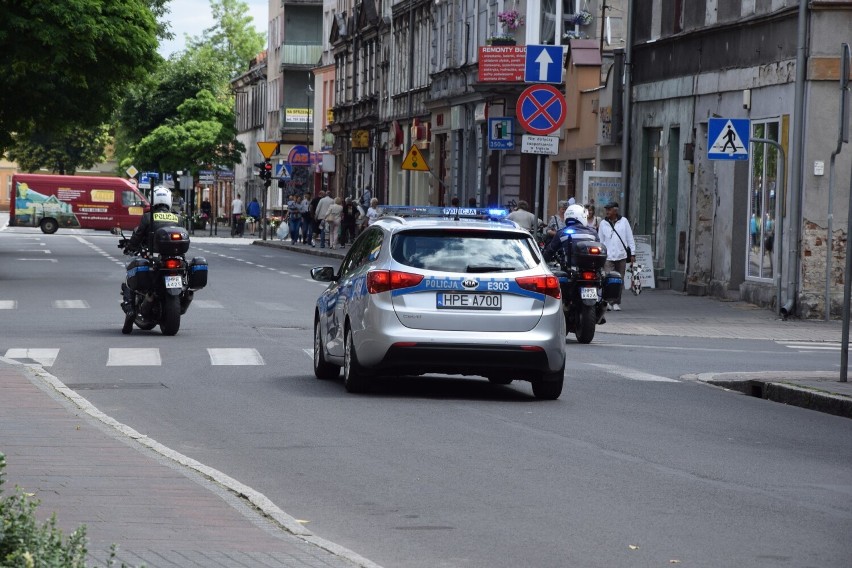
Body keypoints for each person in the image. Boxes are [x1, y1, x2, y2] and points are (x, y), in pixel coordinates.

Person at [121, 186, 182, 315]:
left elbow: (137, 236)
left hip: (154, 258)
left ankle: (132, 307)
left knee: (131, 274)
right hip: (176, 258)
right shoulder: (178, 218)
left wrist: (130, 247)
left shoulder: (148, 217)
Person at [597, 202, 636, 311]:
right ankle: (607, 301)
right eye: (606, 210)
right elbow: (600, 240)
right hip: (608, 256)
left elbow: (630, 238)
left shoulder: (624, 221)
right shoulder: (603, 223)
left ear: (615, 210)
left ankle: (616, 302)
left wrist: (632, 253)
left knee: (619, 280)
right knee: (608, 279)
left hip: (621, 255)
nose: (607, 212)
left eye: (609, 210)